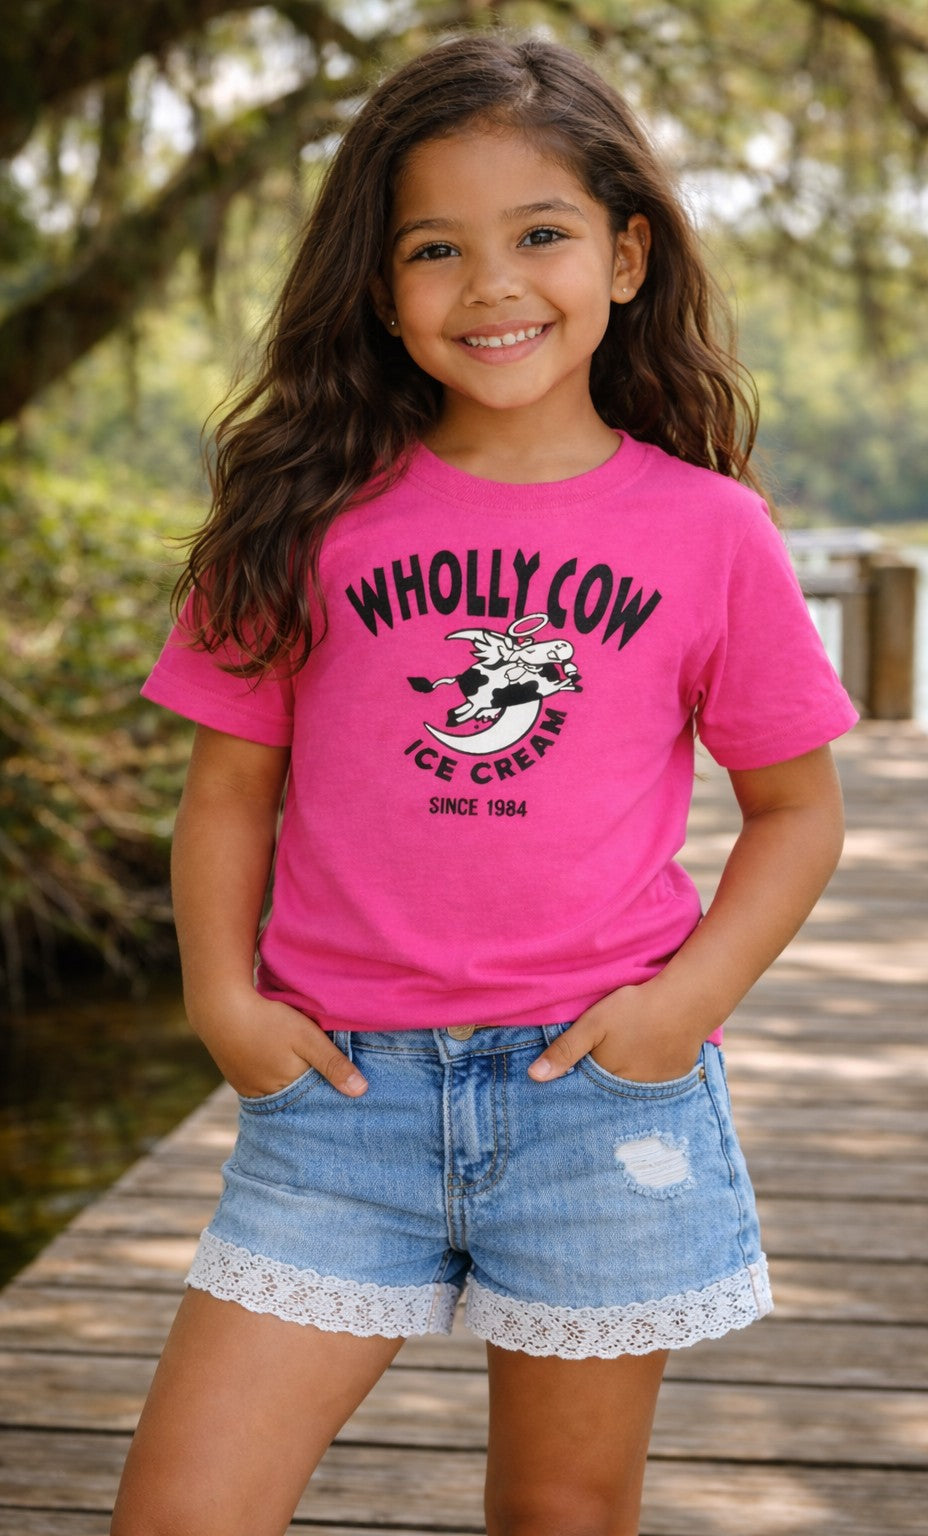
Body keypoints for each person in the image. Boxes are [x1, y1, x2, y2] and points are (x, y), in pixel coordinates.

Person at [112, 30, 857, 1536]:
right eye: (435, 248)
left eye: (542, 236)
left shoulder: (711, 532)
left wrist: (682, 1010)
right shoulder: (305, 511)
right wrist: (218, 999)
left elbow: (798, 811)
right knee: (183, 1512)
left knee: (564, 1517)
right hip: (338, 1096)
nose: (493, 285)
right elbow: (228, 795)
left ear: (627, 255)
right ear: (381, 289)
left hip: (596, 1098)